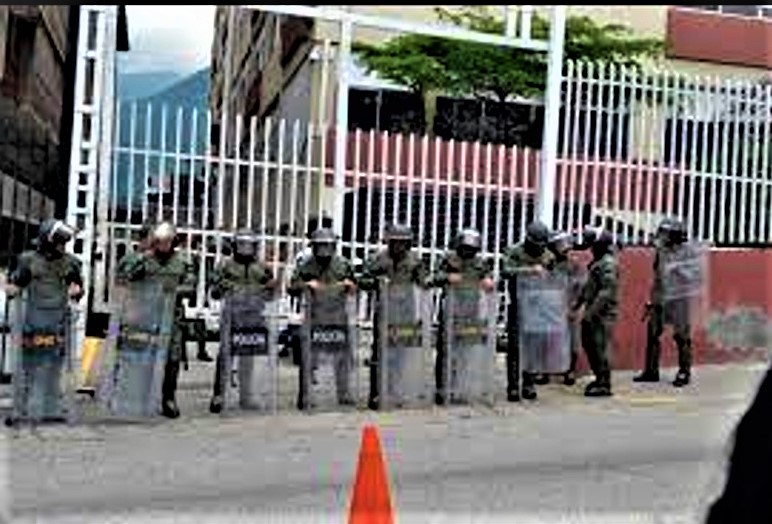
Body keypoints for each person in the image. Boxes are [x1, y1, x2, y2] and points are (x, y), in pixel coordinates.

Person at [5, 219, 84, 424]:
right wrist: (14, 286)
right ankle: (23, 408)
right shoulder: (29, 260)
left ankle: (51, 408)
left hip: (57, 323)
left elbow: (77, 288)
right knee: (29, 367)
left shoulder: (70, 263)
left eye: (64, 243)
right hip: (33, 322)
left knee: (54, 367)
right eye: (59, 242)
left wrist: (76, 291)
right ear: (48, 241)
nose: (63, 246)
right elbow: (14, 287)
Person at [116, 221, 196, 418]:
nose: (164, 245)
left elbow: (191, 287)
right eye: (160, 241)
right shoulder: (144, 259)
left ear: (173, 241)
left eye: (167, 241)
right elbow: (126, 277)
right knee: (142, 356)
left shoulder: (182, 262)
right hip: (145, 316)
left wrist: (173, 291)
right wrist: (143, 257)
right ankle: (139, 396)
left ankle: (168, 398)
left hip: (172, 317)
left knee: (172, 359)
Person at [358, 223, 427, 410]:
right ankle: (377, 393)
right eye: (395, 242)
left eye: (403, 243)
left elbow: (424, 282)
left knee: (401, 355)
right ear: (389, 242)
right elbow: (362, 280)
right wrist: (377, 281)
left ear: (409, 244)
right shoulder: (378, 259)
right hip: (384, 313)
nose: (398, 246)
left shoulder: (415, 261)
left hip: (406, 313)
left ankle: (396, 391)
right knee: (380, 354)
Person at [208, 229, 277, 414]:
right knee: (226, 354)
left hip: (253, 315)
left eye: (249, 245)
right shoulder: (225, 265)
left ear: (255, 246)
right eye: (242, 245)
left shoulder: (262, 267)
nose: (245, 249)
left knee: (248, 356)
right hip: (232, 314)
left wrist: (271, 288)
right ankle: (219, 395)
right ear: (235, 246)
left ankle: (245, 396)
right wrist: (233, 288)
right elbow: (215, 290)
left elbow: (270, 294)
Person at [288, 227, 357, 409]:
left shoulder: (343, 264)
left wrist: (351, 285)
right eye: (320, 246)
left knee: (342, 357)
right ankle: (306, 395)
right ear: (313, 246)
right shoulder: (306, 265)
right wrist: (306, 285)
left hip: (338, 316)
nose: (324, 250)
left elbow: (355, 284)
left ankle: (344, 394)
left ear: (333, 246)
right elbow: (291, 287)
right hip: (314, 316)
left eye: (327, 246)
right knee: (309, 357)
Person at [428, 229, 495, 406]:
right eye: (465, 248)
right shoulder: (448, 259)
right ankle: (442, 388)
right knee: (446, 351)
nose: (468, 252)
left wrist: (488, 281)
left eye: (471, 249)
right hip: (451, 310)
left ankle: (462, 387)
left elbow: (488, 278)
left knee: (467, 351)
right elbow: (433, 278)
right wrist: (447, 277)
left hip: (471, 311)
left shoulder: (480, 263)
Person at [634, 217, 693, 387]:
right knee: (652, 335)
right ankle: (651, 371)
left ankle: (684, 372)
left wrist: (677, 268)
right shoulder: (661, 252)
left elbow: (691, 277)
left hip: (679, 299)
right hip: (659, 298)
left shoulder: (687, 253)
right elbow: (657, 277)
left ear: (675, 235)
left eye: (666, 233)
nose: (662, 236)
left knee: (681, 337)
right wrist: (650, 299)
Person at [500, 221, 554, 401]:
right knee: (514, 347)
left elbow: (554, 277)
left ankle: (529, 384)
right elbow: (505, 271)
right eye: (536, 245)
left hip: (538, 307)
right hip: (518, 305)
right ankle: (513, 386)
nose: (539, 249)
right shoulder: (514, 251)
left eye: (541, 245)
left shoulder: (548, 255)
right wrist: (529, 270)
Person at [571, 227, 619, 397]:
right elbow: (588, 287)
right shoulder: (597, 262)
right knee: (589, 344)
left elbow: (607, 291)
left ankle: (604, 383)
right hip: (593, 311)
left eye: (593, 244)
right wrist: (577, 304)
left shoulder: (608, 264)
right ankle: (599, 377)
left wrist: (591, 313)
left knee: (600, 347)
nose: (590, 247)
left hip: (602, 313)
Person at [538, 230, 583, 386]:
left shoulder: (574, 264)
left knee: (572, 342)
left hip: (570, 306)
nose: (565, 249)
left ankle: (570, 371)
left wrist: (574, 307)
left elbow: (580, 287)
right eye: (560, 246)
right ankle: (544, 372)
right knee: (546, 340)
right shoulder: (547, 263)